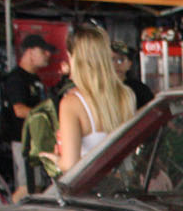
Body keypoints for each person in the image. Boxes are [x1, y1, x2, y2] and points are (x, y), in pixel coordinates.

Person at [45, 25, 134, 174]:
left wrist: (56, 160)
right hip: (125, 182)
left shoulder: (72, 102)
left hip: (92, 186)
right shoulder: (126, 94)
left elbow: (70, 164)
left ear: (73, 58)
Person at [1, 32, 53, 197]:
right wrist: (48, 117)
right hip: (24, 142)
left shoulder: (35, 79)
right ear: (30, 52)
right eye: (43, 51)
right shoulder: (16, 79)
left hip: (36, 141)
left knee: (36, 187)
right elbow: (19, 110)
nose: (47, 55)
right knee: (27, 188)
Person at [111, 43, 153, 110]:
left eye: (120, 60)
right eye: (112, 60)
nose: (116, 64)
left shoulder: (140, 90)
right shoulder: (100, 88)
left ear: (129, 64)